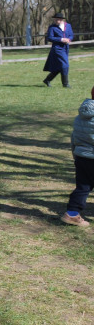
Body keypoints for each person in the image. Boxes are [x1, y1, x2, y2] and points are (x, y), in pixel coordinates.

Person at [61, 88, 94, 227]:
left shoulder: (80, 116)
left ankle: (72, 213)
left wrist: (75, 154)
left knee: (83, 186)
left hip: (82, 157)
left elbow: (74, 137)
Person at [42, 13, 73, 88]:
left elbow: (71, 35)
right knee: (65, 65)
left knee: (59, 67)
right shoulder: (52, 27)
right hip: (57, 48)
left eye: (57, 20)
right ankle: (65, 84)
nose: (56, 21)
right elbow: (50, 38)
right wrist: (61, 39)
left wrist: (69, 39)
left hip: (65, 48)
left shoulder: (68, 26)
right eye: (55, 19)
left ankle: (47, 80)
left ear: (61, 20)